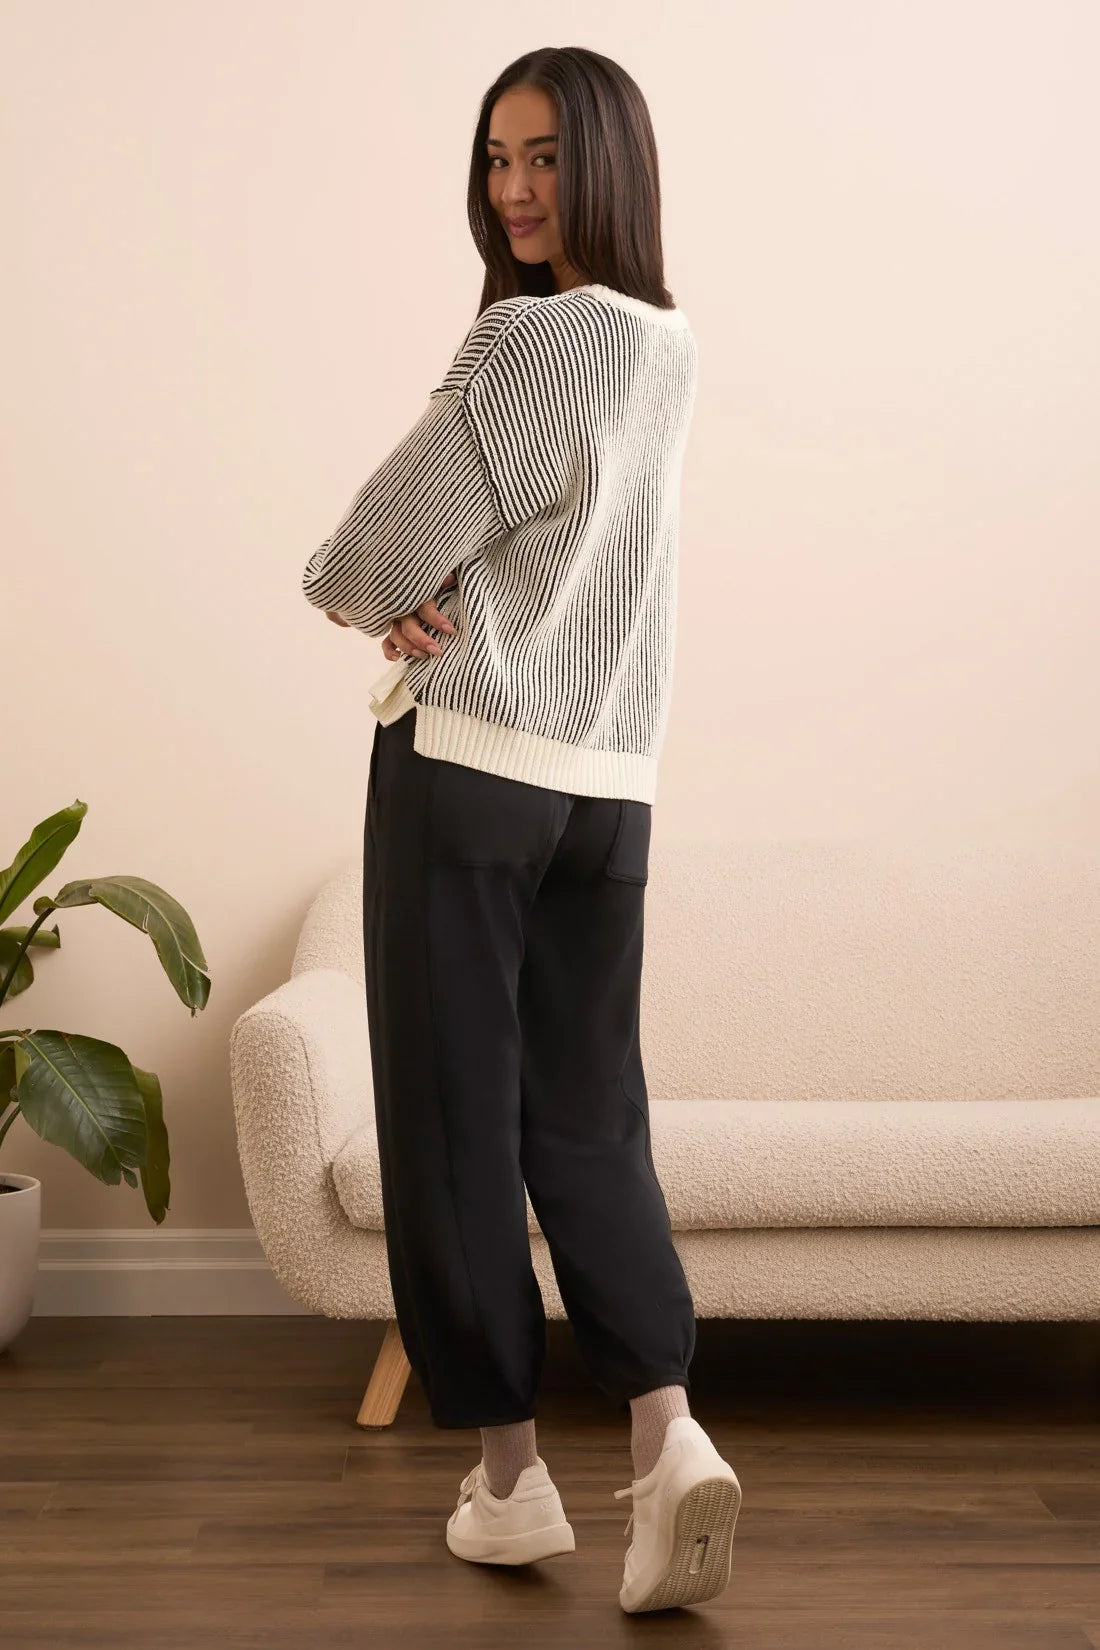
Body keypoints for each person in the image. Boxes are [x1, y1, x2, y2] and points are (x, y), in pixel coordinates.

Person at [303, 45, 741, 1615]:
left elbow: (365, 552)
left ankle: (509, 1480)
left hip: (471, 764)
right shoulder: (668, 348)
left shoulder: (524, 341)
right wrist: (433, 570)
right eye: (497, 159)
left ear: (607, 161)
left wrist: (372, 587)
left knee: (451, 1120)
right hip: (610, 785)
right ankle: (668, 1430)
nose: (515, 189)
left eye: (546, 157)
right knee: (586, 1115)